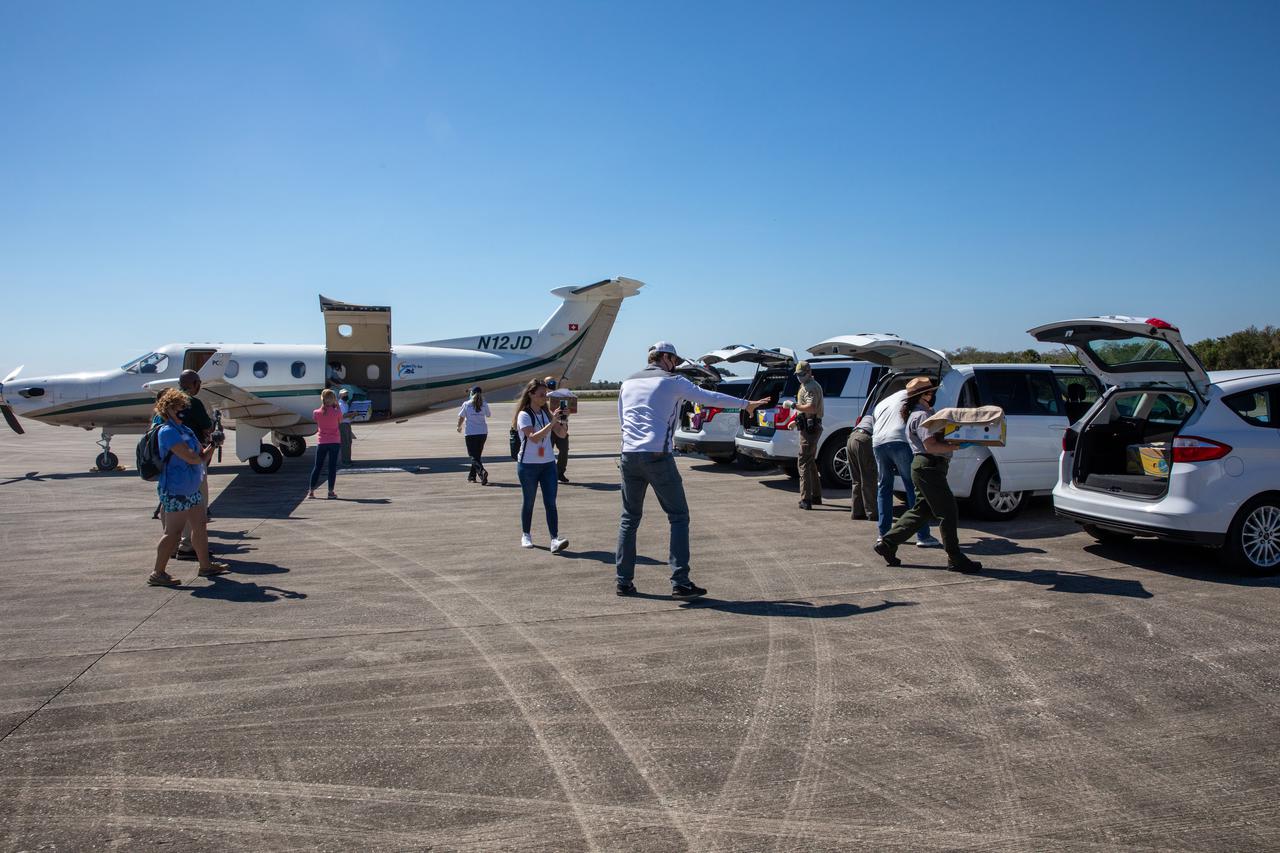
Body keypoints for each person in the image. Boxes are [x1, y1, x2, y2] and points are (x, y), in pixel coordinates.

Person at [616, 342, 770, 598]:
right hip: (657, 455)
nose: (676, 365)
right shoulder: (672, 380)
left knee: (629, 519)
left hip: (628, 455)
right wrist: (747, 405)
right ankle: (680, 582)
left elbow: (623, 419)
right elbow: (710, 398)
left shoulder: (627, 382)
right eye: (674, 360)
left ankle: (623, 581)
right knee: (678, 517)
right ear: (665, 358)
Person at [873, 377, 983, 574]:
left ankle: (888, 542)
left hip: (924, 467)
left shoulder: (919, 414)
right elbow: (930, 445)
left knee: (922, 510)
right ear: (923, 395)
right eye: (931, 392)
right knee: (948, 511)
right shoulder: (922, 415)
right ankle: (955, 557)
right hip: (929, 465)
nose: (933, 395)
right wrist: (957, 446)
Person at [149, 388, 229, 586]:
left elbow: (201, 455)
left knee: (199, 525)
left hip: (191, 487)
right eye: (178, 407)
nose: (182, 410)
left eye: (183, 406)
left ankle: (205, 566)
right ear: (167, 409)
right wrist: (206, 451)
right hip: (176, 488)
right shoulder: (167, 432)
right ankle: (157, 572)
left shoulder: (185, 430)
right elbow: (192, 457)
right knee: (173, 532)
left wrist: (213, 444)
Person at [871, 384, 942, 549]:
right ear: (923, 393)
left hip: (878, 442)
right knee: (913, 487)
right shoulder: (914, 400)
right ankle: (923, 535)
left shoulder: (885, 401)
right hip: (899, 441)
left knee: (884, 487)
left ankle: (883, 534)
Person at [513, 379, 569, 553]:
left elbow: (561, 434)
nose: (545, 398)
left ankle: (554, 539)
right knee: (528, 501)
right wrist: (552, 423)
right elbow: (534, 437)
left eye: (545, 394)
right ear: (531, 394)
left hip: (547, 465)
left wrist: (563, 420)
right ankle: (526, 534)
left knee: (550, 502)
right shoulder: (524, 414)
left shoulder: (546, 413)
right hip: (528, 465)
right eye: (541, 395)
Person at [170, 370, 215, 560]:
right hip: (192, 461)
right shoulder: (193, 403)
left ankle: (172, 545)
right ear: (195, 383)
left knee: (173, 507)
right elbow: (207, 426)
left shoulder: (168, 402)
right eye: (199, 383)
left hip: (171, 463)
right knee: (197, 503)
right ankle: (188, 546)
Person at [782, 361, 824, 510]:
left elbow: (811, 407)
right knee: (809, 461)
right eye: (797, 375)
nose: (799, 377)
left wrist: (792, 406)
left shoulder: (811, 387)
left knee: (804, 462)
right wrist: (795, 421)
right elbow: (806, 409)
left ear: (808, 372)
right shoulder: (806, 386)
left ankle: (806, 499)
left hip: (810, 428)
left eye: (801, 374)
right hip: (807, 425)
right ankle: (816, 496)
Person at [308, 389, 343, 499]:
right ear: (333, 399)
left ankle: (311, 491)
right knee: (332, 467)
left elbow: (316, 419)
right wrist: (337, 406)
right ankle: (330, 492)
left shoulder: (316, 413)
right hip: (334, 442)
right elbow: (340, 421)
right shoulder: (337, 412)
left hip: (322, 442)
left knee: (317, 466)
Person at [846, 412, 878, 521]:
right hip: (864, 439)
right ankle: (872, 513)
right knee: (868, 478)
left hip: (851, 438)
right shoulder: (885, 413)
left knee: (856, 479)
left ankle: (857, 513)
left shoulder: (870, 412)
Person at [457, 385, 491, 484]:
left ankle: (482, 472)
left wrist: (458, 426)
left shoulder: (466, 404)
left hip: (471, 433)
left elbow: (461, 417)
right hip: (483, 433)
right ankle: (472, 477)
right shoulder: (484, 404)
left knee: (473, 456)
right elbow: (488, 415)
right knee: (477, 456)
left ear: (472, 393)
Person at [544, 375, 571, 483]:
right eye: (549, 382)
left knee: (564, 450)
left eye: (553, 382)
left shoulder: (561, 395)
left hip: (562, 425)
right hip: (548, 428)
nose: (552, 384)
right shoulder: (543, 397)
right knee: (547, 452)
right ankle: (548, 472)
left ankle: (560, 472)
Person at [338, 388, 355, 465]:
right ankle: (345, 460)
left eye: (347, 394)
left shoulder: (346, 404)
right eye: (344, 394)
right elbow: (342, 416)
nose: (346, 395)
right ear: (340, 395)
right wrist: (352, 414)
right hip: (343, 425)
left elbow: (347, 415)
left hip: (347, 424)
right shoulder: (340, 404)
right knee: (345, 443)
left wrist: (353, 415)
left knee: (349, 442)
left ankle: (348, 459)